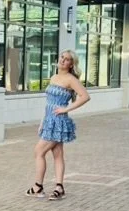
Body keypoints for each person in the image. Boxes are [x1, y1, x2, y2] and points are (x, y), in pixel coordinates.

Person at [26, 49, 90, 201]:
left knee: (39, 152)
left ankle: (37, 187)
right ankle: (59, 187)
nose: (62, 60)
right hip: (49, 120)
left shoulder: (70, 79)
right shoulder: (54, 77)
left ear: (71, 64)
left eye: (67, 59)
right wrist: (43, 121)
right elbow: (49, 103)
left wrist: (66, 109)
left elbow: (85, 97)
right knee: (58, 154)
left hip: (58, 121)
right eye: (62, 57)